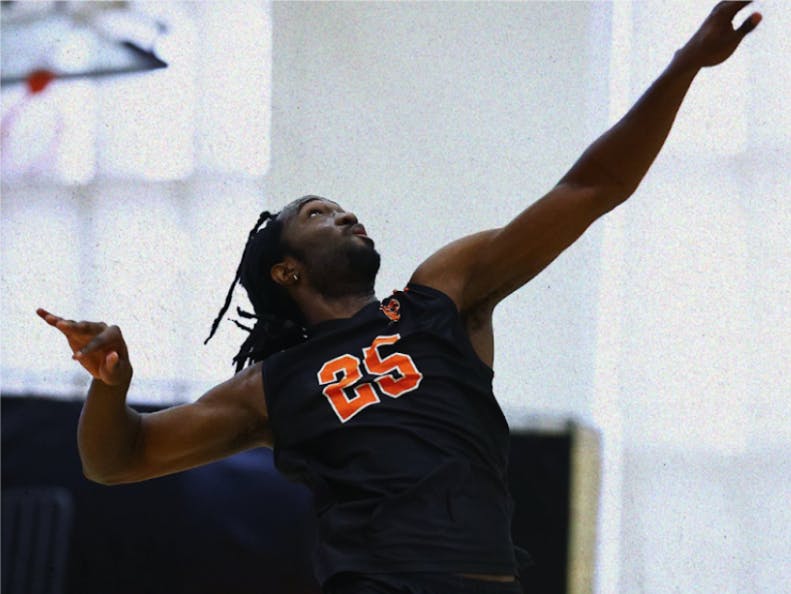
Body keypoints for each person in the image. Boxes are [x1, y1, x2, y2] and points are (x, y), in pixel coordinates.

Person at [38, 3, 761, 593]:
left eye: (344, 207)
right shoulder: (269, 389)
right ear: (286, 271)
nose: (346, 215)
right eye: (319, 214)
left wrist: (680, 67)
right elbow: (117, 459)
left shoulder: (441, 293)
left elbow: (589, 188)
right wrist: (111, 387)